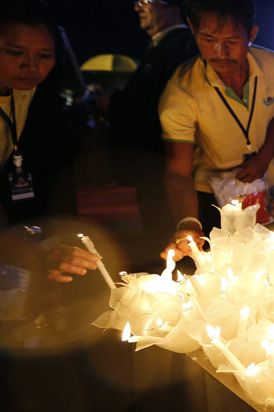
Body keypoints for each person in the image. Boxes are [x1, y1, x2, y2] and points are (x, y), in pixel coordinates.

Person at [159, 0, 274, 260]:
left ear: (252, 34)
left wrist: (264, 157)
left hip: (270, 184)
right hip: (214, 198)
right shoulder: (181, 91)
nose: (220, 52)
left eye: (231, 41)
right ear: (191, 27)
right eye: (208, 39)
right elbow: (178, 172)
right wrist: (189, 223)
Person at [0, 0, 97, 283]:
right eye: (14, 52)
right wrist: (36, 258)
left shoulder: (27, 90)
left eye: (44, 55)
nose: (31, 66)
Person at [97, 0, 197, 263]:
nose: (138, 8)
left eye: (146, 2)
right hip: (152, 168)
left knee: (171, 239)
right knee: (161, 236)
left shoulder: (181, 45)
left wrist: (113, 103)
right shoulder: (164, 46)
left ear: (174, 8)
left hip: (166, 164)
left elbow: (157, 103)